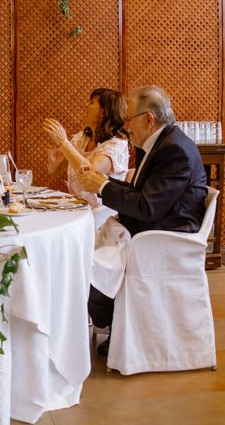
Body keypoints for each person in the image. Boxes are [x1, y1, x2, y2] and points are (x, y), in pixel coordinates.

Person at [78, 85, 207, 354]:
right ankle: (114, 324)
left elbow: (148, 207)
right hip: (150, 228)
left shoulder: (175, 150)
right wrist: (105, 184)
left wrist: (102, 187)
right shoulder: (162, 143)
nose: (126, 127)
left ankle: (114, 323)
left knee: (85, 269)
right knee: (84, 257)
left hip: (164, 237)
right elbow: (142, 195)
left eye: (129, 120)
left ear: (148, 119)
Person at [43, 88, 129, 206]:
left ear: (103, 112)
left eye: (92, 103)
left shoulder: (116, 146)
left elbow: (89, 172)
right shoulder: (81, 138)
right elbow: (56, 170)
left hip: (102, 215)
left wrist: (64, 143)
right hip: (77, 208)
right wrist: (53, 162)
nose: (86, 105)